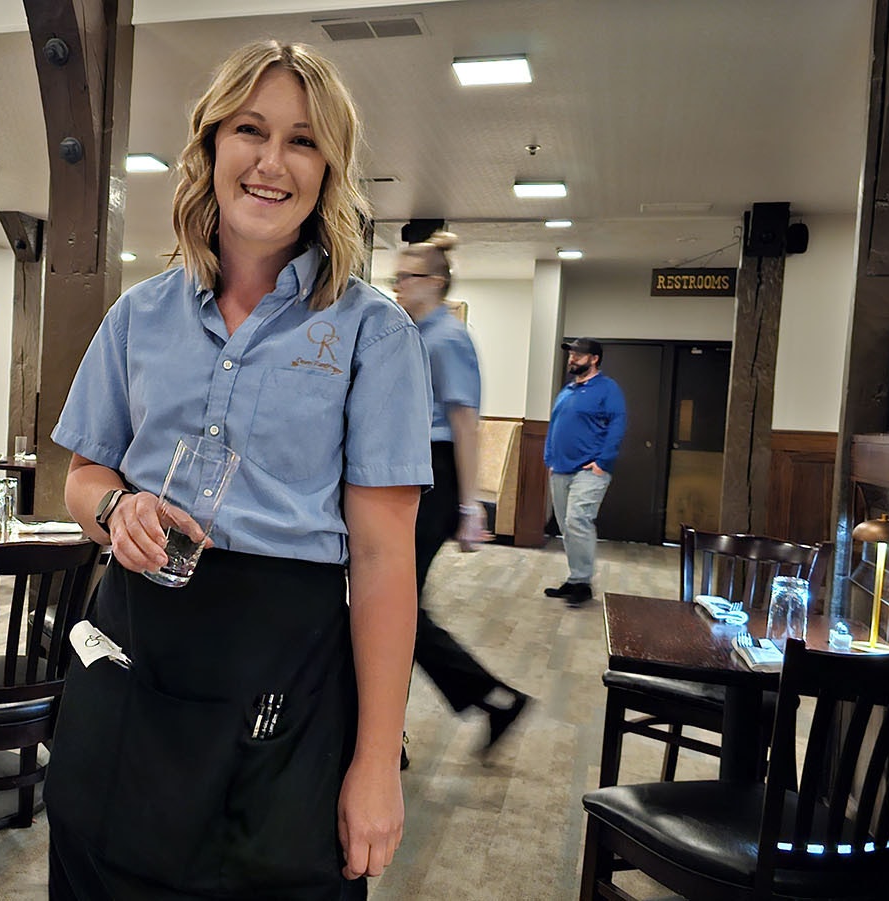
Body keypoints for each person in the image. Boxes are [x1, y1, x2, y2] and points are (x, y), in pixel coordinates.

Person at [46, 39, 430, 900]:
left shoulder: (375, 334)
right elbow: (82, 476)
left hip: (285, 688)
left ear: (329, 168)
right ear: (211, 145)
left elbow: (382, 562)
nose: (271, 161)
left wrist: (377, 763)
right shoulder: (137, 316)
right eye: (250, 130)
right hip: (131, 666)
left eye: (303, 139)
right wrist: (118, 510)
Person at [392, 231, 529, 764]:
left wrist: (470, 507)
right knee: (394, 606)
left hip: (437, 476)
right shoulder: (416, 333)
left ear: (436, 281)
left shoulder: (448, 338)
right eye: (397, 276)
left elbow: (466, 423)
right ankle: (492, 700)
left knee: (396, 607)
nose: (400, 286)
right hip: (413, 474)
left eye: (408, 276)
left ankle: (489, 699)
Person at [543, 337, 627, 607]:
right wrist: (549, 459)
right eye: (571, 354)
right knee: (567, 526)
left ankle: (583, 581)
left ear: (594, 359)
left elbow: (618, 423)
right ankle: (575, 578)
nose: (572, 358)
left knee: (578, 519)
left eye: (579, 354)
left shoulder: (607, 389)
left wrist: (603, 461)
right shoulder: (567, 391)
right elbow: (555, 425)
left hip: (590, 469)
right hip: (560, 468)